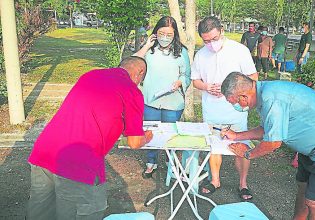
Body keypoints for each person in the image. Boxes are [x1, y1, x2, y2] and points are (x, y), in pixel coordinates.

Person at [27, 57, 153, 220]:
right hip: (77, 163)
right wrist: (146, 137)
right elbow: (135, 142)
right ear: (140, 73)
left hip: (44, 151)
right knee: (82, 211)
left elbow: (96, 110)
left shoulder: (91, 75)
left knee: (40, 212)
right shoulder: (131, 90)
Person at [220, 72, 315, 220]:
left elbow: (273, 142)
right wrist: (236, 136)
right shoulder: (264, 93)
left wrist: (248, 153)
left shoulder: (271, 99)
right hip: (313, 145)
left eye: (235, 103)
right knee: (303, 188)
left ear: (244, 97)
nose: (237, 107)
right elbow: (269, 129)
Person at [191, 16, 258, 201]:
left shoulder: (239, 51)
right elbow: (195, 80)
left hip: (236, 110)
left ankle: (243, 184)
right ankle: (215, 180)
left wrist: (235, 92)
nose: (210, 44)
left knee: (241, 146)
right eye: (206, 41)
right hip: (211, 109)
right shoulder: (200, 54)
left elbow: (254, 77)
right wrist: (206, 87)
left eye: (213, 39)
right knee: (214, 147)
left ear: (221, 30)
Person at [134, 16, 191, 178]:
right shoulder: (150, 50)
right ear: (155, 33)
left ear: (175, 35)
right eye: (161, 33)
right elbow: (134, 62)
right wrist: (146, 46)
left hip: (173, 102)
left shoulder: (182, 52)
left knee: (170, 134)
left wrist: (180, 82)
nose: (165, 37)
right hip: (151, 101)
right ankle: (151, 161)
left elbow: (187, 75)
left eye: (169, 34)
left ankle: (170, 162)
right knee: (151, 132)